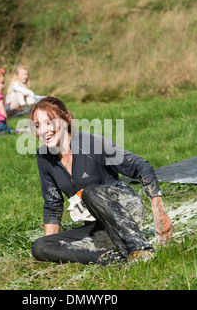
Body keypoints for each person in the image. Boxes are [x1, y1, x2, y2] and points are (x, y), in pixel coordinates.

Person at [28, 97, 174, 266]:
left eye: (49, 123)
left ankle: (140, 249)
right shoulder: (44, 157)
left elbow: (142, 167)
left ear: (67, 119)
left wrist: (159, 212)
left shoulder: (92, 143)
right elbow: (52, 204)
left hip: (126, 210)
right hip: (98, 226)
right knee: (40, 246)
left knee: (90, 192)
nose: (43, 131)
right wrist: (51, 245)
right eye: (37, 126)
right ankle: (105, 258)